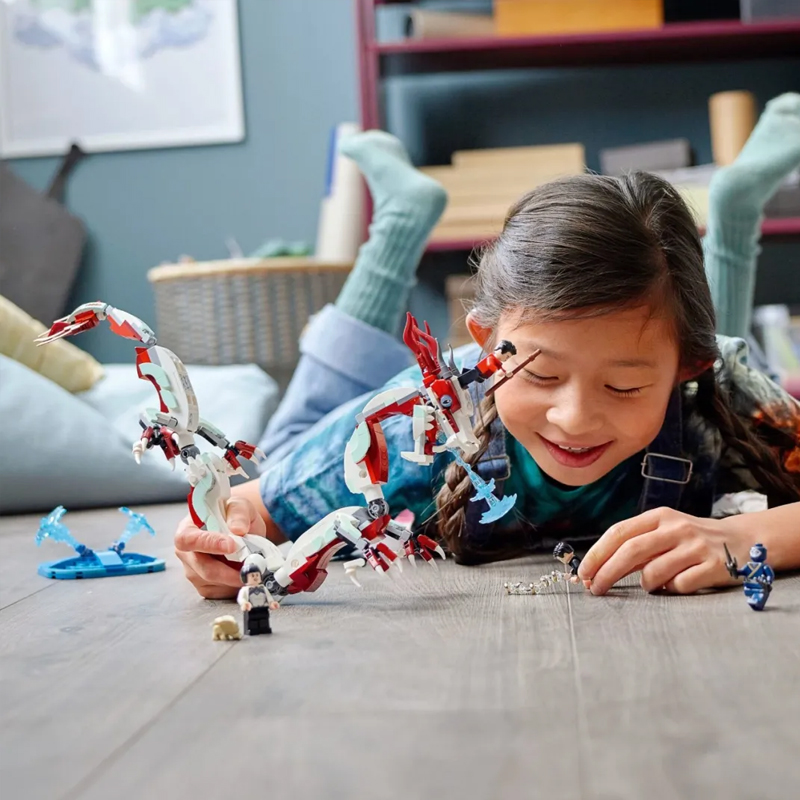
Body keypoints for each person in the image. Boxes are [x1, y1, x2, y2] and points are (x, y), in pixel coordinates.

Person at [175, 94, 800, 600]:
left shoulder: (718, 390)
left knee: (683, 320)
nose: (575, 418)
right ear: (486, 348)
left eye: (625, 385)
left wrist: (748, 538)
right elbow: (251, 506)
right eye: (541, 375)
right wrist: (225, 540)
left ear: (687, 369)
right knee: (295, 428)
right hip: (348, 433)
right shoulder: (419, 426)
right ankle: (398, 223)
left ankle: (732, 217)